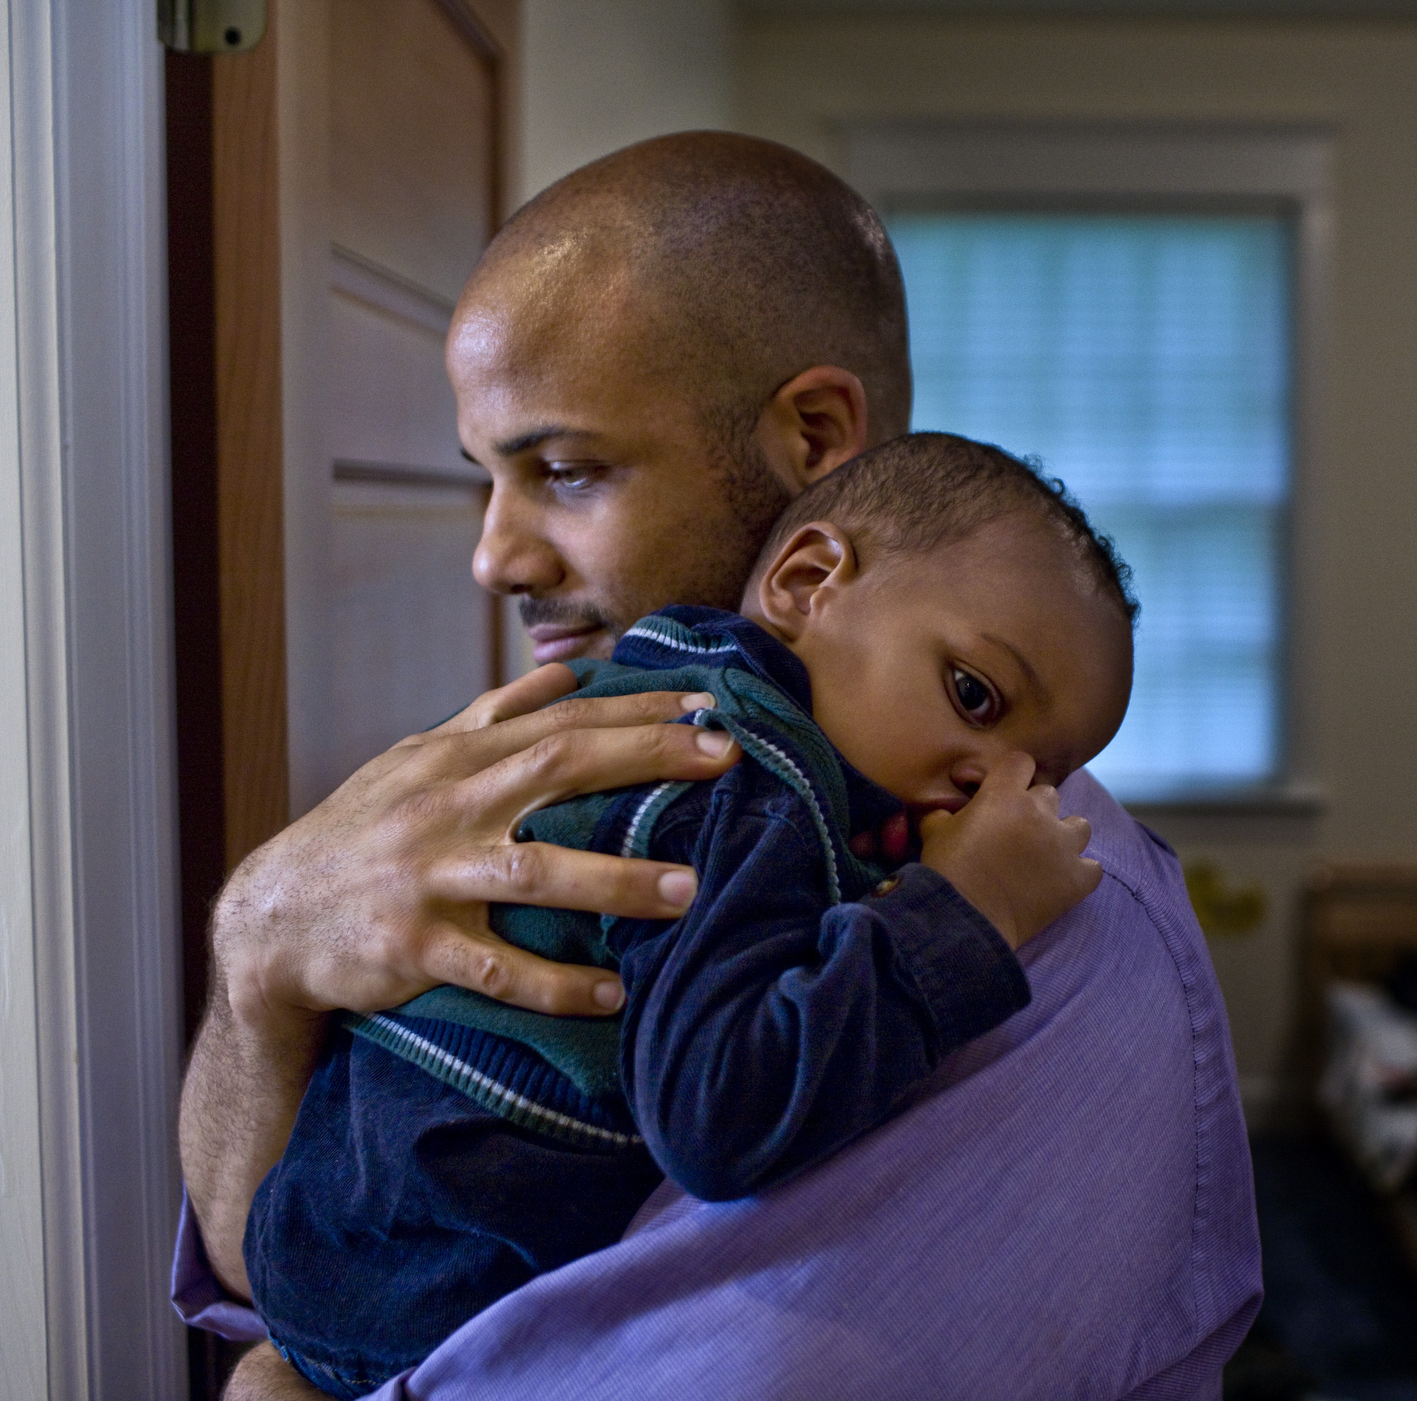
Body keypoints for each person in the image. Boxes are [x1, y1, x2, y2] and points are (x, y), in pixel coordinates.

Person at [177, 131, 1260, 1400]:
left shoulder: (1042, 919)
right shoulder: (578, 763)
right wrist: (259, 953)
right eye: (490, 478)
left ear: (813, 438)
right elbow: (255, 1281)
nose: (496, 559)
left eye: (568, 471)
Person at [246, 434, 1137, 1397]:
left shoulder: (664, 685)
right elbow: (720, 1117)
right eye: (973, 695)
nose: (993, 787)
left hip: (329, 1249)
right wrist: (970, 910)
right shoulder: (738, 784)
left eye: (1039, 776)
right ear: (805, 581)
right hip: (429, 1296)